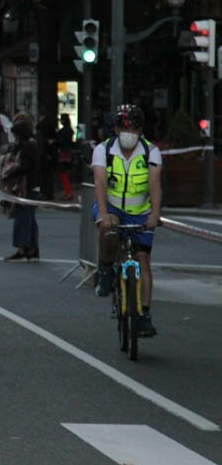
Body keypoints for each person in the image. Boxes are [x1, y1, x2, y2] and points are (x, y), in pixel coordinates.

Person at [92, 104, 162, 337]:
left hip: (140, 212)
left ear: (141, 130)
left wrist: (154, 214)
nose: (128, 132)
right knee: (108, 229)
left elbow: (155, 184)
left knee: (143, 261)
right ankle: (105, 269)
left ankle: (144, 314)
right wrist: (103, 214)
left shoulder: (151, 152)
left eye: (133, 128)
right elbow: (100, 183)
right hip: (111, 206)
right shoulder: (104, 150)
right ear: (115, 129)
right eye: (124, 127)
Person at [3, 113, 41, 261]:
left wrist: (9, 171)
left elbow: (23, 166)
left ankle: (22, 248)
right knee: (29, 217)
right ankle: (32, 248)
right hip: (32, 184)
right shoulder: (32, 143)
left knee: (23, 217)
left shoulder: (28, 146)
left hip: (26, 185)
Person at [56, 113, 75, 200]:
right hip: (68, 152)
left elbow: (61, 141)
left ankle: (68, 192)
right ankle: (67, 191)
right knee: (65, 172)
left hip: (63, 152)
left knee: (63, 172)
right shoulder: (69, 130)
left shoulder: (63, 131)